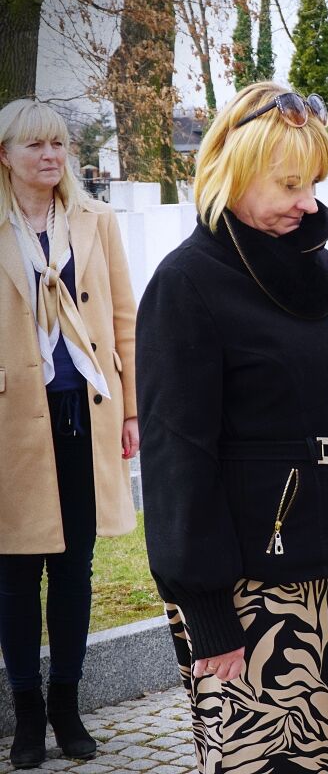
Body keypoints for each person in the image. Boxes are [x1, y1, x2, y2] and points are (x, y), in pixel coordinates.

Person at [136, 82, 328, 773]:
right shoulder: (187, 283)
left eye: (312, 183)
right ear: (235, 170)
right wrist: (206, 609)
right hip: (250, 593)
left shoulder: (327, 273)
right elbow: (177, 458)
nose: (308, 202)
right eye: (289, 184)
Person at [0, 99, 138, 769]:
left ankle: (66, 703)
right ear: (5, 155)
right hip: (11, 426)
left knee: (74, 570)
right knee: (15, 571)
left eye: (57, 144)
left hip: (84, 413)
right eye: (34, 145)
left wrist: (132, 410)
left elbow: (125, 319)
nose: (50, 156)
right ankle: (27, 713)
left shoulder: (95, 220)